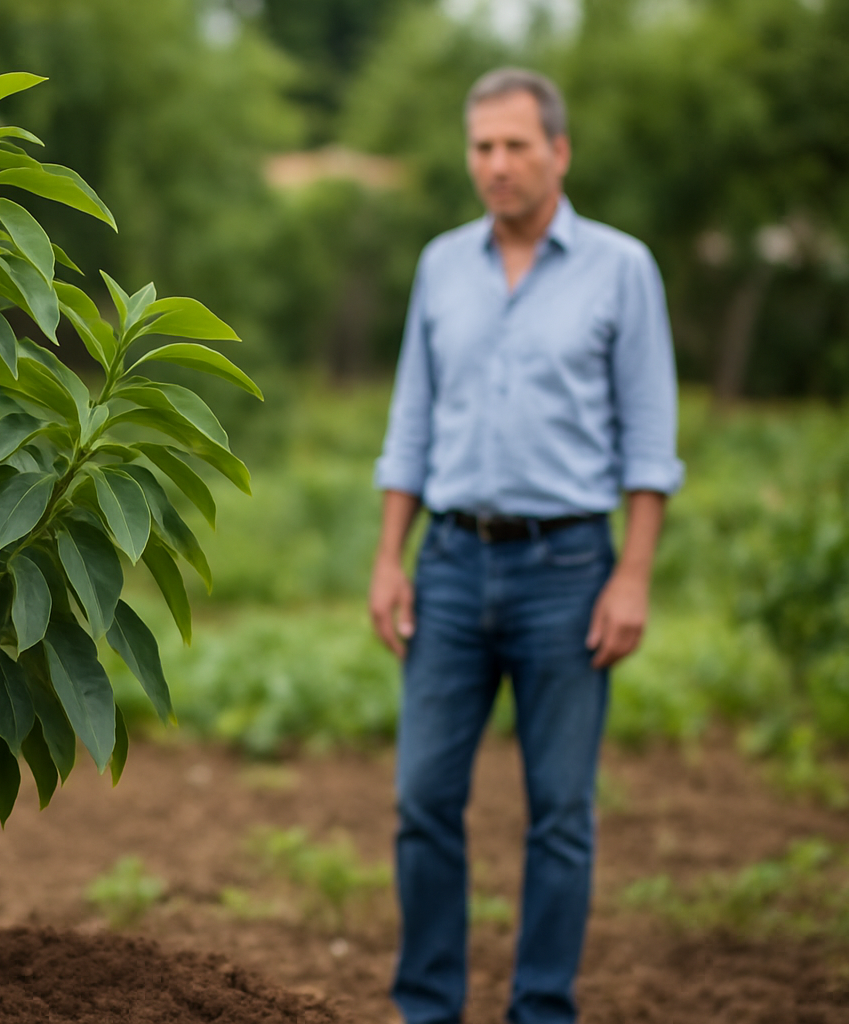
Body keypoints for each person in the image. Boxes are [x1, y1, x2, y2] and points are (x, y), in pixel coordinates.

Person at [368, 68, 684, 1024]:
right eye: (481, 147)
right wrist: (390, 556)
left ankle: (541, 1009)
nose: (495, 165)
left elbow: (650, 439)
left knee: (561, 815)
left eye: (514, 145)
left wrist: (632, 576)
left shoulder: (622, 268)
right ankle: (429, 1007)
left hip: (568, 573)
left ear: (559, 151)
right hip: (451, 568)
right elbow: (410, 423)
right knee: (423, 801)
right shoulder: (440, 266)